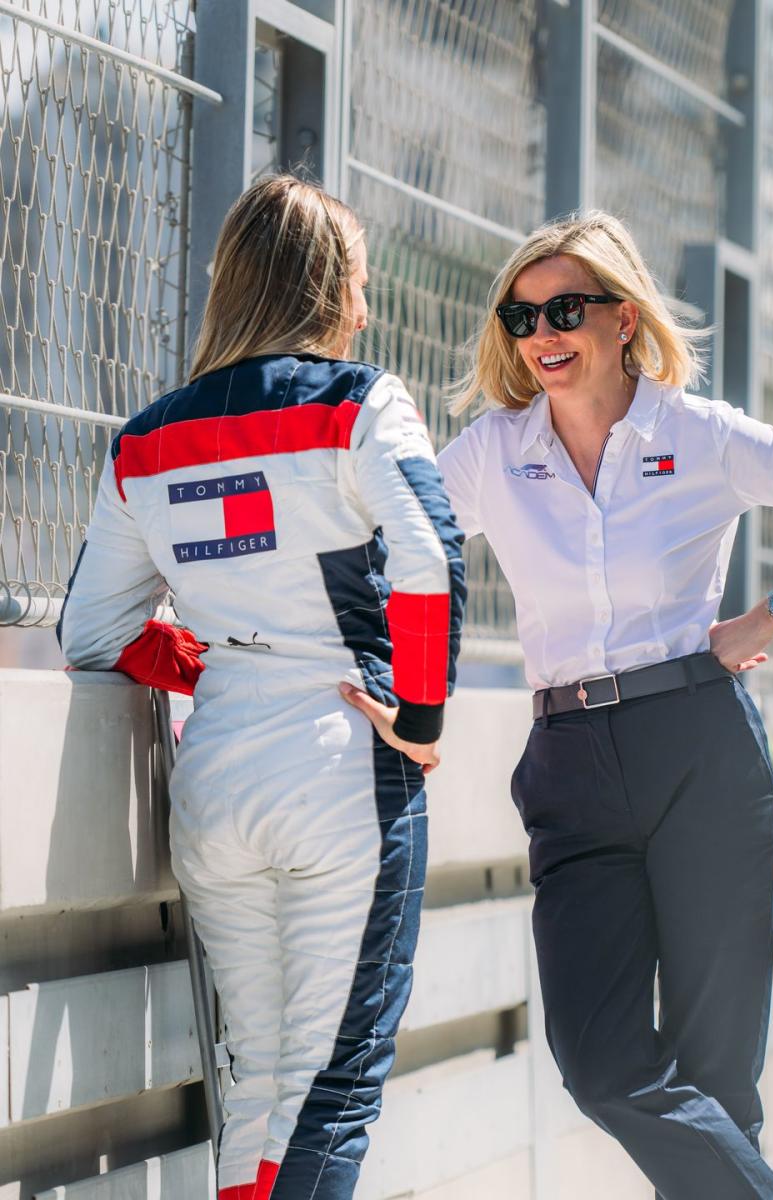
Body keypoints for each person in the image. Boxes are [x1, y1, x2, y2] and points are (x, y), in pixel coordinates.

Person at [436, 211, 773, 1200]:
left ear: (623, 318)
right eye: (521, 316)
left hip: (699, 748)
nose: (541, 334)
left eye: (565, 308)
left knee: (716, 1083)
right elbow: (390, 541)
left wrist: (771, 611)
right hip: (569, 759)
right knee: (602, 1064)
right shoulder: (494, 453)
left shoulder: (698, 435)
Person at [58, 174, 466, 1200]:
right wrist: (419, 718)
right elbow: (431, 556)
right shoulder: (359, 400)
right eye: (360, 285)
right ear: (327, 289)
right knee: (330, 1090)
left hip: (217, 780)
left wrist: (210, 663)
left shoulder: (144, 440)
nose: (366, 309)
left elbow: (92, 632)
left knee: (260, 1085)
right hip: (342, 772)